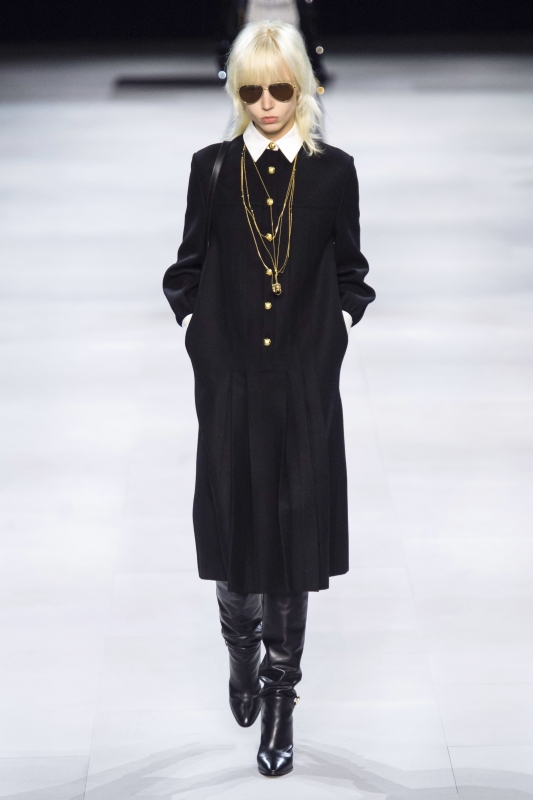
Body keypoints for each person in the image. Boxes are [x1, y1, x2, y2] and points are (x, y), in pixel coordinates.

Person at [163, 19, 375, 777]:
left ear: (302, 88)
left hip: (302, 384)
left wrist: (334, 329)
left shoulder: (334, 172)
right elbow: (185, 266)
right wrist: (198, 331)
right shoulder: (212, 169)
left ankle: (282, 696)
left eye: (279, 89)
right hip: (229, 382)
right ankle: (239, 645)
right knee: (233, 528)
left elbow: (352, 271)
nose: (265, 105)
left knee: (292, 539)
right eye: (250, 91)